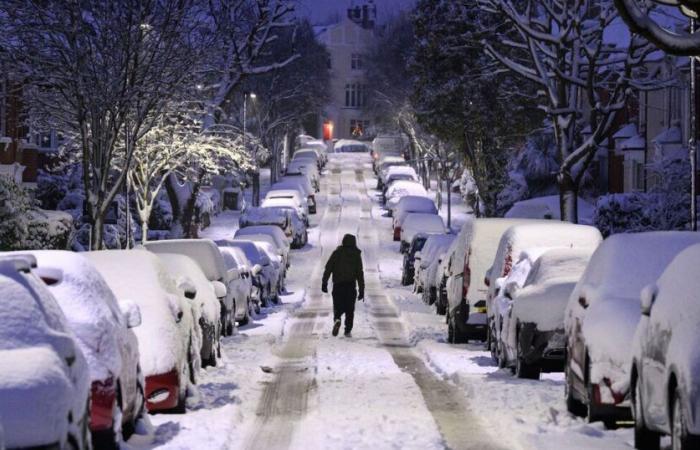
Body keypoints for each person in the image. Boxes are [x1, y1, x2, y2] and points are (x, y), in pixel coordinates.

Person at [321, 234, 365, 337]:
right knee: (350, 310)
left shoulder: (337, 253)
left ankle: (337, 319)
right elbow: (360, 273)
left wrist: (324, 282)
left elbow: (328, 268)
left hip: (338, 286)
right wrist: (361, 290)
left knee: (337, 306)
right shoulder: (356, 255)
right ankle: (347, 330)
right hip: (350, 286)